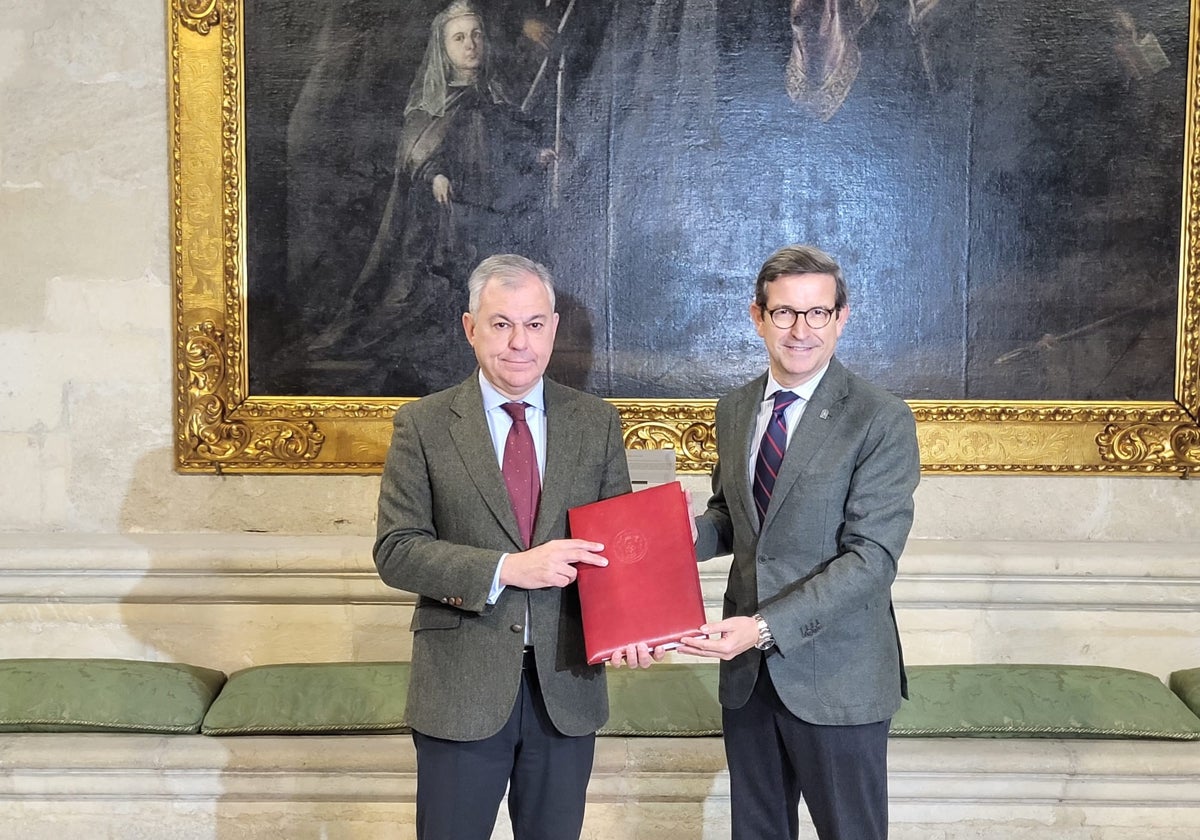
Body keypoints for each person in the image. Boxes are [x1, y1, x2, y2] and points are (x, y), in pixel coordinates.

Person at [373, 253, 656, 840]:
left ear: (553, 328)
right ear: (470, 328)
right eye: (500, 324)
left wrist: (638, 628)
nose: (518, 342)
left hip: (566, 684)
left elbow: (619, 549)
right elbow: (397, 550)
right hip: (460, 687)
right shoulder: (423, 425)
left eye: (532, 324)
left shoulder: (596, 423)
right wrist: (508, 568)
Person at [676, 244, 921, 840]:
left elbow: (871, 560)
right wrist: (676, 540)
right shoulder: (734, 410)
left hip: (838, 674)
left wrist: (762, 627)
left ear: (842, 317)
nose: (800, 330)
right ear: (756, 317)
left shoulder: (880, 418)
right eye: (784, 312)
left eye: (817, 313)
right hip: (748, 677)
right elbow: (732, 518)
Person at [309, 0, 556, 394]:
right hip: (444, 213)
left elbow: (510, 142)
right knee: (421, 292)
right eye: (459, 38)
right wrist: (434, 173)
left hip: (485, 211)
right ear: (444, 48)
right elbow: (416, 147)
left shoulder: (493, 95)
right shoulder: (432, 102)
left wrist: (535, 154)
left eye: (476, 35)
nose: (470, 44)